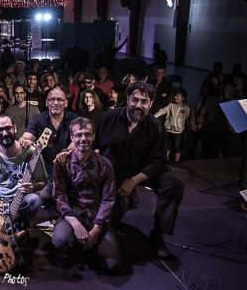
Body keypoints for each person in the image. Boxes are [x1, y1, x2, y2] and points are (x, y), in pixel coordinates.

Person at [92, 82, 184, 258]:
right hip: (114, 172)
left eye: (144, 101)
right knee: (109, 223)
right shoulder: (108, 117)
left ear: (151, 104)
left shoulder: (155, 125)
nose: (139, 105)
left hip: (143, 171)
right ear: (127, 99)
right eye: (135, 100)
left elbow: (159, 161)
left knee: (174, 184)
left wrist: (134, 181)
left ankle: (158, 235)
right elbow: (94, 146)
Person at [52, 117, 121, 272]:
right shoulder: (62, 163)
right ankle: (80, 243)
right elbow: (59, 197)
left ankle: (89, 242)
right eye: (79, 135)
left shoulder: (105, 164)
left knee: (113, 265)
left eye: (87, 134)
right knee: (60, 240)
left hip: (96, 216)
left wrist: (96, 230)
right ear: (72, 137)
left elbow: (108, 199)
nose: (83, 138)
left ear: (93, 136)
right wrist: (76, 225)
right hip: (72, 213)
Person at [0, 114, 47, 242]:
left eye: (8, 128)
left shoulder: (32, 153)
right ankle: (12, 229)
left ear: (15, 128)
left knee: (34, 199)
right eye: (0, 130)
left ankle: (21, 225)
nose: (5, 133)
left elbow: (43, 181)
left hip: (20, 200)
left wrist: (34, 187)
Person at [21, 88, 79, 205]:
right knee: (43, 196)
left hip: (69, 171)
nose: (55, 102)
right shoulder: (38, 119)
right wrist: (26, 141)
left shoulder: (75, 119)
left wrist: (67, 151)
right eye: (52, 99)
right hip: (46, 173)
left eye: (59, 100)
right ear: (47, 103)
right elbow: (25, 137)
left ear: (66, 103)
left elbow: (78, 139)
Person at [154, 88, 191, 162]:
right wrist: (154, 116)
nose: (175, 97)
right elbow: (163, 110)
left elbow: (187, 118)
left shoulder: (186, 108)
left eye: (178, 96)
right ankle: (166, 160)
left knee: (178, 147)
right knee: (167, 146)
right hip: (168, 130)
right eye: (175, 96)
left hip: (178, 132)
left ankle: (177, 161)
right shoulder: (171, 105)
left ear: (183, 98)